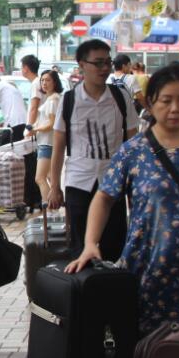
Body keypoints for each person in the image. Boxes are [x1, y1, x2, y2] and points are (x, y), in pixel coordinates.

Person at [66, 64, 179, 333]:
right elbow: (104, 196)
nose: (175, 109)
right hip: (145, 273)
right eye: (166, 101)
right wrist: (90, 243)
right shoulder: (134, 151)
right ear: (151, 102)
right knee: (144, 357)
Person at [46, 38, 134, 260]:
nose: (104, 69)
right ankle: (84, 291)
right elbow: (58, 146)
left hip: (113, 182)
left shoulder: (120, 97)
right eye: (98, 63)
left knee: (114, 245)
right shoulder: (69, 99)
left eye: (108, 63)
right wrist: (55, 186)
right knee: (79, 247)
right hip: (78, 182)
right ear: (82, 64)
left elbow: (133, 143)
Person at [27, 69, 63, 202]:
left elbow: (52, 124)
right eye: (42, 80)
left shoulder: (53, 100)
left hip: (47, 143)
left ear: (55, 82)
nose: (44, 83)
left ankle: (49, 209)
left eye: (48, 80)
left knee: (40, 178)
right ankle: (54, 209)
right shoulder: (52, 99)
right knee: (50, 178)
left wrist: (35, 129)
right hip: (48, 142)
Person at [0, 74, 27, 141]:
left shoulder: (0, 85)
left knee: (5, 146)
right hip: (18, 123)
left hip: (15, 124)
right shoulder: (12, 94)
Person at [19, 54, 42, 129]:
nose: (21, 70)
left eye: (21, 67)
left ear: (25, 68)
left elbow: (34, 108)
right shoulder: (37, 82)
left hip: (35, 128)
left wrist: (29, 129)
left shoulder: (36, 83)